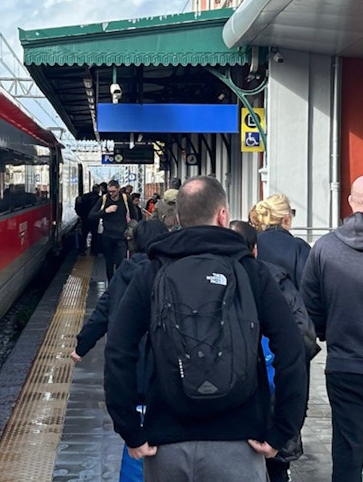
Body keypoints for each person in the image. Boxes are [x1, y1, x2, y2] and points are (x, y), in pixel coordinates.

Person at [104, 176, 308, 482]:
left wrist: (130, 428)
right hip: (240, 443)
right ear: (222, 215)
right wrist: (282, 430)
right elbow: (291, 349)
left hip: (166, 445)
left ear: (178, 218)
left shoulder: (153, 271)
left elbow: (119, 349)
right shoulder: (252, 273)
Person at [71, 218, 167, 482]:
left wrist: (82, 345)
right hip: (161, 369)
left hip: (129, 368)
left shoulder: (124, 273)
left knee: (136, 442)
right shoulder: (169, 273)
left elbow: (102, 311)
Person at [230, 220, 319, 482]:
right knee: (277, 468)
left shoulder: (213, 279)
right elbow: (304, 334)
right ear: (255, 249)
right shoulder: (277, 279)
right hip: (273, 395)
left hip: (229, 401)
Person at [300, 175, 363, 482]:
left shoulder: (325, 248)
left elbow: (310, 309)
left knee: (348, 448)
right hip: (346, 360)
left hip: (344, 364)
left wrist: (331, 331)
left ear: (351, 202)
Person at [251, 194, 311, 289]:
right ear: (286, 219)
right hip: (291, 302)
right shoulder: (298, 247)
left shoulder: (252, 243)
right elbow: (308, 286)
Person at [89, 179, 137, 282]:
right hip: (107, 235)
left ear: (118, 189)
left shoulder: (125, 199)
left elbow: (134, 216)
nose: (111, 194)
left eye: (113, 191)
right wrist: (106, 211)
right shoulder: (104, 199)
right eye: (109, 191)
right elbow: (91, 216)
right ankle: (111, 283)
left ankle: (119, 283)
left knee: (122, 261)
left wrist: (132, 230)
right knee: (109, 262)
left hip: (122, 236)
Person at [75, 184, 100, 255]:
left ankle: (81, 250)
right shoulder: (99, 199)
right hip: (94, 220)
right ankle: (93, 251)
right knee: (94, 235)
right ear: (97, 190)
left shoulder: (84, 197)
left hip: (85, 219)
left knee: (84, 235)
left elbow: (78, 206)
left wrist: (81, 215)